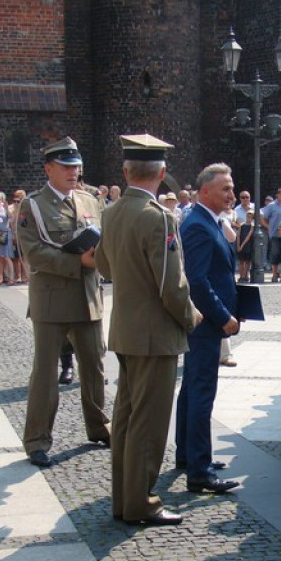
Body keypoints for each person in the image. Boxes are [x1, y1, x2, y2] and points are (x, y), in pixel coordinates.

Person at [95, 134, 201, 525]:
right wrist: (191, 316)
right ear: (163, 173)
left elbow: (104, 267)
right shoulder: (159, 217)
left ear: (126, 171)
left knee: (125, 418)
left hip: (125, 329)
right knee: (148, 423)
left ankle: (124, 499)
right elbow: (171, 284)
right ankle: (140, 502)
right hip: (155, 335)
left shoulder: (112, 212)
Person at [20, 136, 111, 467]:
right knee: (45, 374)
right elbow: (34, 253)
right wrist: (79, 263)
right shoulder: (32, 206)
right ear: (49, 169)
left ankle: (99, 427)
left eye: (76, 166)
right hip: (52, 301)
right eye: (66, 167)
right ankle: (37, 440)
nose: (74, 172)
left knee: (94, 367)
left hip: (88, 297)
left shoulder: (90, 202)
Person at [175, 163, 241, 495]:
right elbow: (197, 282)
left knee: (191, 389)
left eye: (231, 188)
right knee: (201, 393)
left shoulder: (209, 221)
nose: (231, 194)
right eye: (225, 189)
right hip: (205, 323)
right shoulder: (199, 225)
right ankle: (199, 471)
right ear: (204, 192)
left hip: (205, 324)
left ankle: (189, 456)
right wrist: (223, 316)